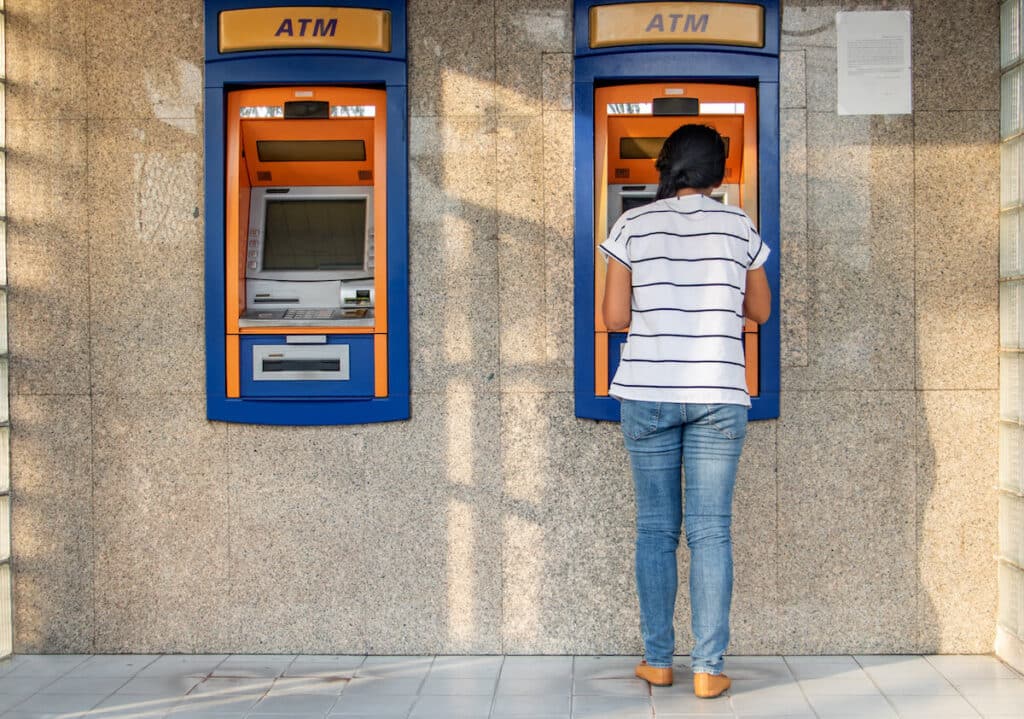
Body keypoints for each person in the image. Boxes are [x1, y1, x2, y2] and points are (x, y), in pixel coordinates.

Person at [599, 123, 771, 699]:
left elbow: (616, 318)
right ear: (718, 172)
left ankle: (657, 660)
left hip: (648, 391)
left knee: (655, 530)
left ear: (666, 168)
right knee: (711, 533)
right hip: (718, 394)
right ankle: (708, 668)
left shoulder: (631, 224)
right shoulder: (739, 223)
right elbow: (762, 310)